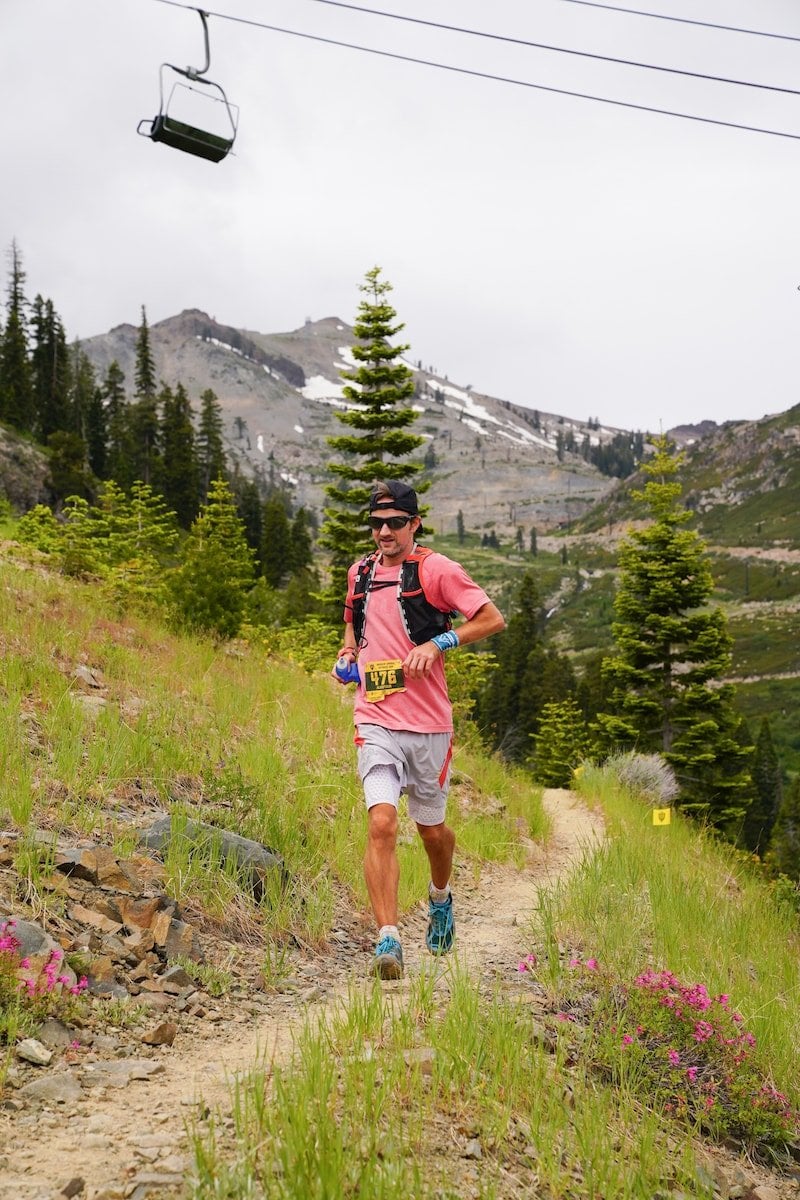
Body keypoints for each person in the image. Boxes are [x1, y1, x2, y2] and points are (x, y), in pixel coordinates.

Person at [333, 480, 505, 979]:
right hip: (375, 716)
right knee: (382, 821)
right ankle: (388, 939)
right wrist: (348, 653)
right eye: (376, 523)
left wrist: (440, 642)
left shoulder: (436, 570)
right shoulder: (360, 572)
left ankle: (440, 896)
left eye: (394, 523)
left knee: (431, 831)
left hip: (428, 724)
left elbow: (492, 618)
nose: (383, 532)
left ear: (414, 524)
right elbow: (352, 623)